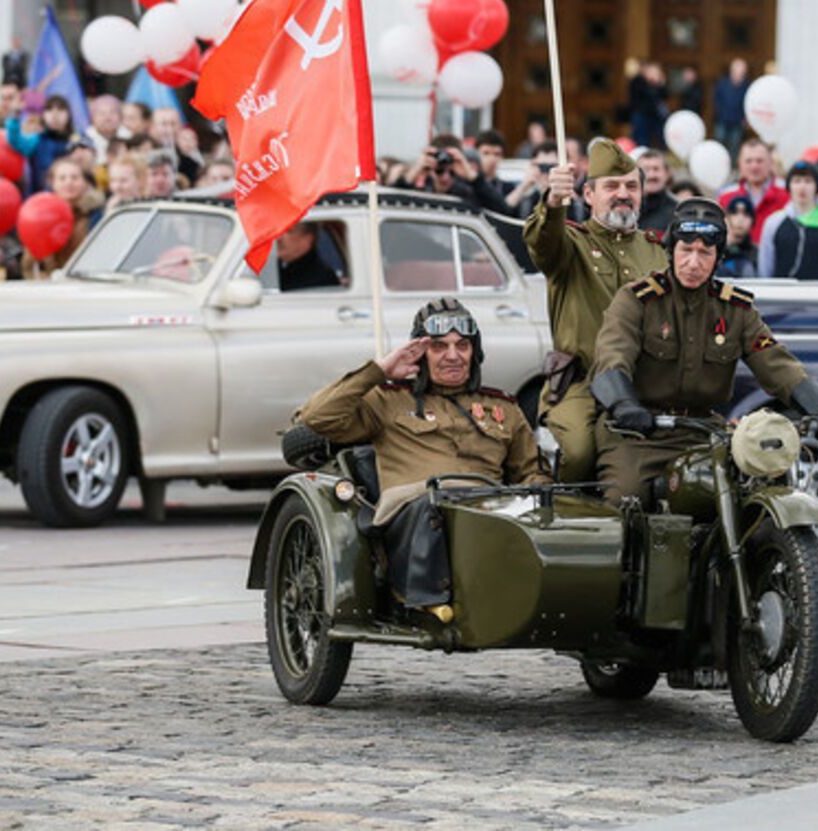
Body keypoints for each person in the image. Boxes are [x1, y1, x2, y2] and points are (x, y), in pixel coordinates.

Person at [589, 197, 818, 503]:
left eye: (705, 253)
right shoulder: (637, 300)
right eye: (686, 250)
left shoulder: (735, 309)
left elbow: (776, 362)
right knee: (626, 498)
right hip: (637, 435)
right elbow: (611, 357)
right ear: (670, 250)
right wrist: (624, 405)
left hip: (704, 434)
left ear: (718, 258)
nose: (693, 262)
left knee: (751, 495)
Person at [297, 298, 547, 615]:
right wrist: (380, 371)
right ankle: (426, 599)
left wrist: (539, 498)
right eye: (439, 346)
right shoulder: (388, 401)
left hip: (486, 515)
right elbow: (316, 417)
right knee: (435, 503)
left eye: (463, 346)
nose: (453, 356)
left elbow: (532, 472)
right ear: (421, 353)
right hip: (412, 515)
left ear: (475, 352)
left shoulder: (504, 409)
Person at [523, 138, 668, 481]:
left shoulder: (657, 252)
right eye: (611, 186)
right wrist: (553, 202)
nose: (623, 193)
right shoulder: (572, 244)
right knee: (578, 453)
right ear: (588, 195)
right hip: (581, 383)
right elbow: (542, 243)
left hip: (642, 383)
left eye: (631, 186)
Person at [758, 162, 818, 280]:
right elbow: (765, 268)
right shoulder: (773, 223)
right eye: (796, 181)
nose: (802, 187)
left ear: (817, 187)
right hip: (780, 295)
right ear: (789, 186)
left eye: (808, 181)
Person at [21, 159, 105, 277]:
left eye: (74, 178)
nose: (68, 182)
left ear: (84, 182)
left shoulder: (95, 215)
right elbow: (29, 265)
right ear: (53, 183)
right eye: (62, 178)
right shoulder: (41, 215)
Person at [716, 139, 788, 243]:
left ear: (770, 163)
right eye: (748, 161)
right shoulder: (726, 196)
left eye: (759, 161)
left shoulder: (787, 193)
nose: (754, 166)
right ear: (740, 163)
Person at [7, 94, 76, 195]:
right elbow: (15, 141)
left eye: (60, 109)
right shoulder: (37, 140)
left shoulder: (78, 142)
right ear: (43, 115)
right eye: (49, 110)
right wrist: (15, 115)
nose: (55, 114)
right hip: (39, 199)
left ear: (69, 115)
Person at [276, 221, 340, 291]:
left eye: (289, 232)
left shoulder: (321, 279)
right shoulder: (278, 269)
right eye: (279, 231)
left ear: (308, 239)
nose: (278, 238)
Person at [712, 57, 749, 155]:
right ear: (732, 70)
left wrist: (745, 118)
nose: (741, 72)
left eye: (743, 70)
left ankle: (732, 167)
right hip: (722, 119)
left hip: (738, 121)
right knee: (720, 143)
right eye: (739, 69)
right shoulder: (722, 83)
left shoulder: (746, 85)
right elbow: (716, 99)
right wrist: (720, 112)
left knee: (734, 145)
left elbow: (748, 103)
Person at [636, 148, 678, 233]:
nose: (651, 175)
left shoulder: (678, 212)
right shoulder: (628, 207)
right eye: (646, 169)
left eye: (656, 169)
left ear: (667, 174)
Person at [718, 194, 757, 278]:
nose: (740, 219)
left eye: (746, 214)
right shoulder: (716, 250)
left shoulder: (757, 253)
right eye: (735, 213)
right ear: (727, 218)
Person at [85, 95, 123, 164]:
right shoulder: (84, 140)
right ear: (92, 118)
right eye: (102, 113)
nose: (107, 118)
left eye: (112, 112)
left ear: (121, 117)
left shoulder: (130, 138)